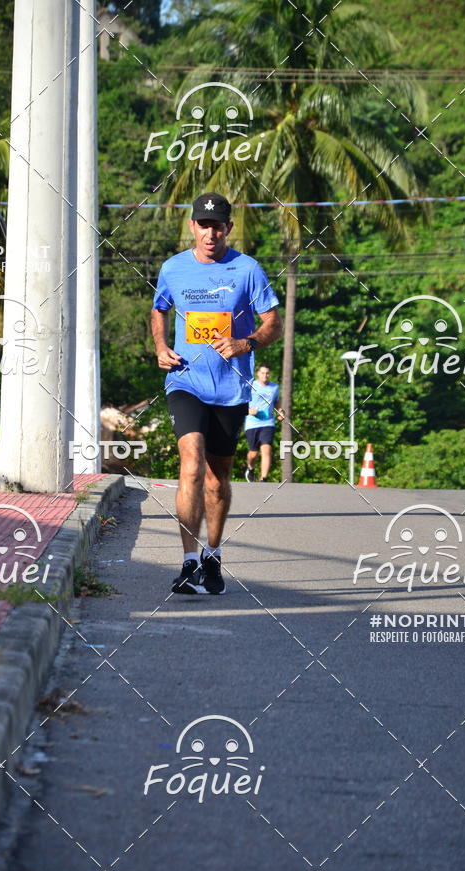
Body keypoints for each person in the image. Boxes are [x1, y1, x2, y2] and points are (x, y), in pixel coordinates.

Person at [150, 192, 282, 595]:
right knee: (190, 465)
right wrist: (160, 347)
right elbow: (159, 309)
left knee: (216, 479)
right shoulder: (173, 268)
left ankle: (212, 555)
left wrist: (246, 344)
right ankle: (188, 562)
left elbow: (272, 322)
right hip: (185, 381)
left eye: (218, 225)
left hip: (230, 389)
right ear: (192, 226)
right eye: (203, 225)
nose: (211, 233)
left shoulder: (247, 270)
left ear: (229, 228)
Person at [244, 365, 284, 482]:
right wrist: (249, 411)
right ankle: (250, 468)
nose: (265, 375)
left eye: (267, 373)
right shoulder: (251, 385)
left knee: (266, 449)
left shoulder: (274, 387)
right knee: (253, 453)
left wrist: (280, 411)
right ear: (258, 373)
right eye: (262, 373)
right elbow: (241, 401)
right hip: (252, 423)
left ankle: (263, 479)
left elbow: (276, 402)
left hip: (268, 422)